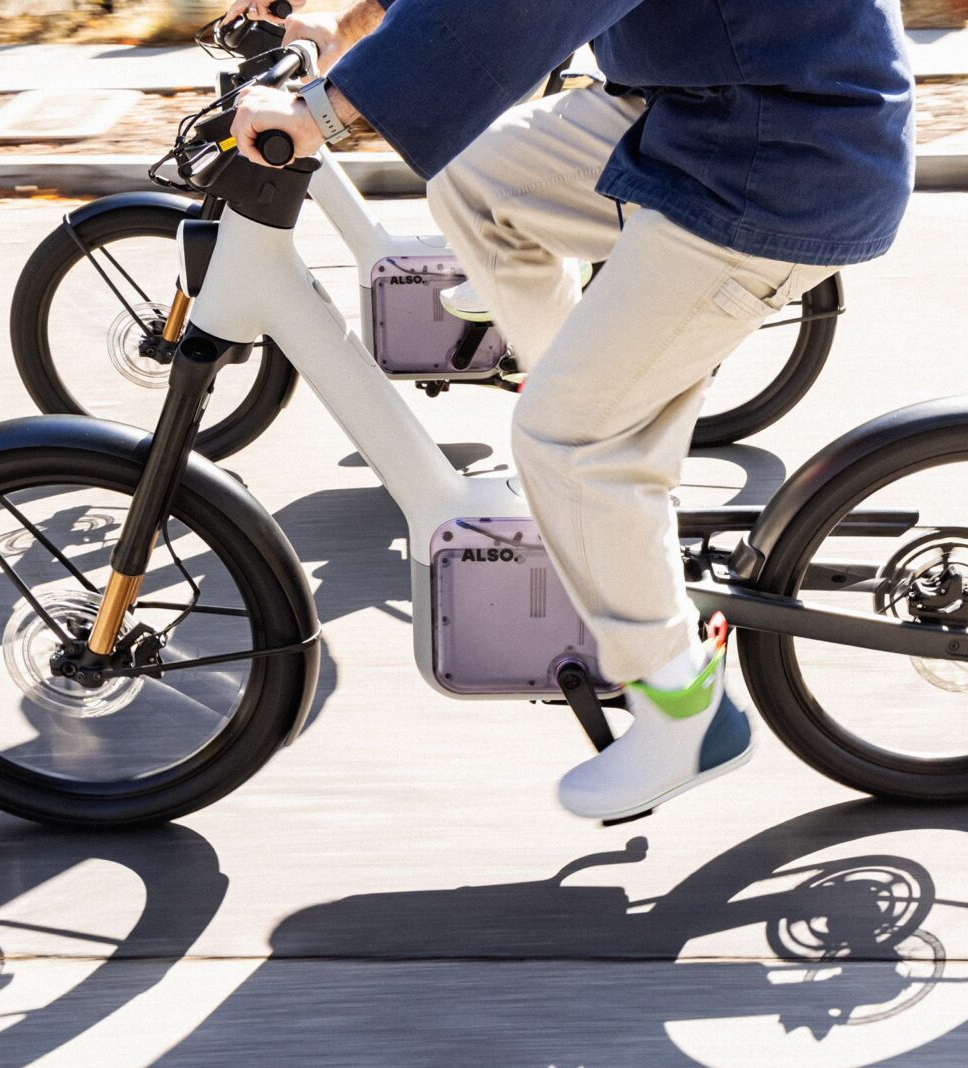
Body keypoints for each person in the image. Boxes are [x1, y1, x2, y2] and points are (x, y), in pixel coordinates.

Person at [226, 0, 914, 821]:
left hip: (777, 157)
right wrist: (353, 23)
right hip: (703, 110)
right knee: (477, 177)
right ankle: (594, 471)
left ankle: (685, 711)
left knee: (569, 438)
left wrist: (325, 109)